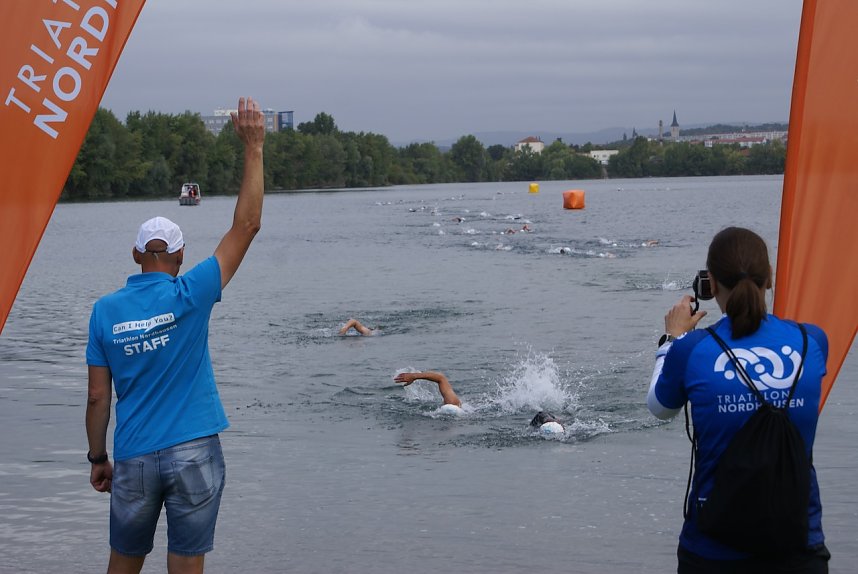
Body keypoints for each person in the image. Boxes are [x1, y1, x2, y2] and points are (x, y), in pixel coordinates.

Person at [85, 96, 265, 574]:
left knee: (123, 562)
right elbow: (246, 226)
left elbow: (98, 397)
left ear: (135, 255)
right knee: (186, 564)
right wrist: (253, 148)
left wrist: (98, 457)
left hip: (135, 456)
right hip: (194, 452)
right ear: (181, 256)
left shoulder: (104, 312)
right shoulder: (193, 291)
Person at [647, 227, 829, 573]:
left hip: (713, 550)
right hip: (799, 547)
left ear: (711, 284)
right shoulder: (813, 342)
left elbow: (659, 407)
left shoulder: (693, 349)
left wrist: (670, 340)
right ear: (770, 278)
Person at [394, 371, 462, 412]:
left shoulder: (453, 404)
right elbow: (441, 378)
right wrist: (413, 376)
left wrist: (414, 376)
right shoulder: (454, 404)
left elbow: (441, 378)